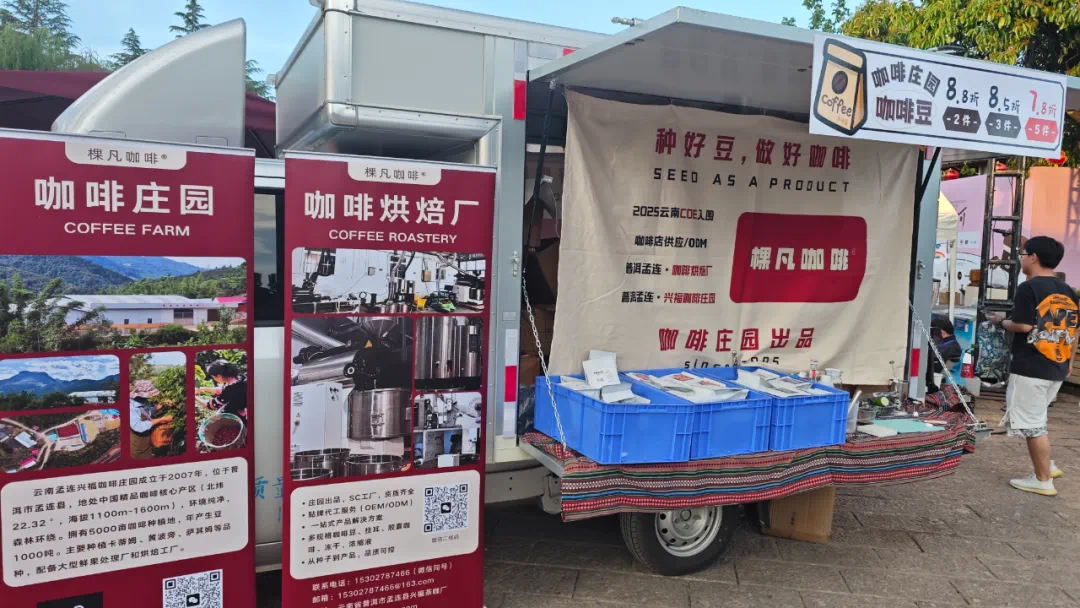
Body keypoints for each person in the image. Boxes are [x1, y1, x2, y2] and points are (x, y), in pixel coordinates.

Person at [990, 236, 1079, 496]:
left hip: (1031, 365)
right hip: (1057, 365)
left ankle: (1042, 480)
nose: (1021, 259)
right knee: (1038, 419)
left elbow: (1022, 325)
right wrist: (1070, 361)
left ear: (1033, 257)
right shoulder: (1068, 290)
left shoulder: (1028, 288)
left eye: (1022, 254)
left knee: (1032, 424)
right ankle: (1047, 465)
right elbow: (1073, 330)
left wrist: (1000, 321)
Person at [129, 380, 172, 460]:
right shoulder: (130, 406)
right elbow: (138, 426)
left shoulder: (143, 401)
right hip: (137, 444)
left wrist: (162, 405)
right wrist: (162, 419)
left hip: (146, 440)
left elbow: (147, 413)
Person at [925, 317, 962, 393]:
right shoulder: (948, 345)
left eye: (933, 331)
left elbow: (939, 372)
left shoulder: (951, 348)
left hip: (948, 387)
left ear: (941, 332)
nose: (931, 334)